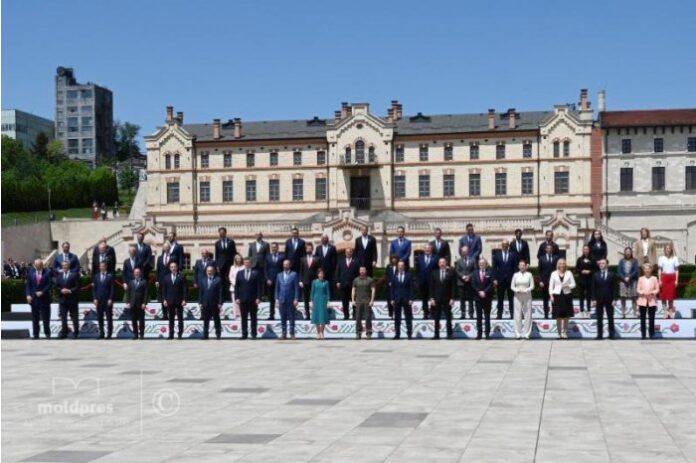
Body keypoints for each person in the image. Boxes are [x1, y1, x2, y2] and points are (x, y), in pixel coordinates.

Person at [235, 257, 263, 340]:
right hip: (242, 299)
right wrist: (237, 297)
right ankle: (244, 334)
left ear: (251, 264)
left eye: (248, 262)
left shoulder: (256, 273)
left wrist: (258, 297)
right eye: (245, 262)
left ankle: (254, 334)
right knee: (243, 318)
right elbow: (237, 286)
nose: (247, 264)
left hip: (253, 299)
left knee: (253, 317)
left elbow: (259, 286)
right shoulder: (239, 273)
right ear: (244, 263)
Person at [429, 257, 456, 339]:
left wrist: (452, 298)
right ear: (438, 264)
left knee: (448, 317)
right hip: (436, 298)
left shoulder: (450, 273)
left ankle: (449, 334)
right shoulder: (434, 273)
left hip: (447, 298)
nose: (442, 264)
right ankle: (436, 334)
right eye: (440, 262)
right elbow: (431, 287)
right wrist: (431, 298)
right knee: (436, 317)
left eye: (443, 262)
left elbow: (453, 287)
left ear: (446, 263)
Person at [549, 258, 576, 340]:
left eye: (563, 263)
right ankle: (559, 333)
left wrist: (568, 286)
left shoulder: (569, 273)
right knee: (558, 316)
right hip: (557, 296)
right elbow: (551, 286)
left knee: (566, 316)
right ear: (558, 264)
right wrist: (551, 295)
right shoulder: (553, 273)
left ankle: (565, 332)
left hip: (566, 295)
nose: (562, 265)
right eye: (560, 263)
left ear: (565, 265)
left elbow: (573, 284)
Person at [25, 259, 52, 339]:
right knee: (35, 318)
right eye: (36, 265)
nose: (38, 267)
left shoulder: (47, 273)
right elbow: (28, 286)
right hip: (34, 299)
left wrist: (42, 292)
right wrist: (28, 295)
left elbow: (49, 285)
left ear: (42, 265)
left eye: (40, 265)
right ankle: (35, 334)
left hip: (44, 299)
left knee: (45, 318)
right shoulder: (31, 274)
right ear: (34, 265)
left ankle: (47, 334)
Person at [275, 259, 300, 339]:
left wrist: (296, 298)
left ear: (290, 265)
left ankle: (292, 334)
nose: (285, 266)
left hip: (291, 299)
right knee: (283, 317)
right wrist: (276, 299)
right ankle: (283, 333)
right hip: (282, 299)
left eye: (287, 264)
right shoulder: (279, 275)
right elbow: (277, 288)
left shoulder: (294, 274)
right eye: (284, 264)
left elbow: (296, 288)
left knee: (291, 317)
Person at [162, 261, 187, 340]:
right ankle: (171, 334)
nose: (173, 268)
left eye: (174, 267)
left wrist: (184, 299)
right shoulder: (166, 277)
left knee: (180, 318)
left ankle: (180, 334)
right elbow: (164, 290)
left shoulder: (181, 277)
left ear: (177, 267)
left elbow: (184, 289)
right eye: (172, 267)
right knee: (171, 319)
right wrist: (164, 299)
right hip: (169, 300)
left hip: (179, 300)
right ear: (170, 268)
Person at [55, 260, 80, 339]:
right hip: (63, 300)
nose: (64, 267)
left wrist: (69, 291)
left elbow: (77, 286)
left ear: (69, 266)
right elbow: (57, 286)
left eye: (66, 265)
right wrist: (61, 290)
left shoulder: (74, 275)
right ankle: (64, 333)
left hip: (72, 299)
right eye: (63, 265)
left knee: (74, 317)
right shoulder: (59, 275)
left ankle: (76, 333)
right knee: (63, 318)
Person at [492, 240, 517, 320]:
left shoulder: (513, 255)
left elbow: (515, 268)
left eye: (506, 244)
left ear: (508, 245)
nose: (505, 246)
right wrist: (494, 278)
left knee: (511, 298)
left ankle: (512, 314)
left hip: (511, 280)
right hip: (500, 280)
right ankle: (499, 314)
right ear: (501, 245)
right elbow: (494, 268)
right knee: (500, 298)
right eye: (503, 244)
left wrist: (515, 279)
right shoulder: (497, 255)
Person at [593, 258, 616, 340]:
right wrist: (594, 299)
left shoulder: (611, 274)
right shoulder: (596, 275)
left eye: (603, 263)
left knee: (610, 317)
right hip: (599, 299)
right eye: (600, 263)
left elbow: (614, 288)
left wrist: (614, 299)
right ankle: (599, 335)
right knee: (599, 318)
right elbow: (594, 288)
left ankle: (612, 334)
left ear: (607, 264)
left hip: (609, 299)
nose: (601, 264)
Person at [511, 259, 535, 339]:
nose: (521, 267)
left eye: (523, 265)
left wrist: (526, 290)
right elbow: (512, 286)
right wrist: (517, 290)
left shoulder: (529, 274)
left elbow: (532, 286)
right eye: (520, 265)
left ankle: (526, 333)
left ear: (526, 266)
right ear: (518, 266)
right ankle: (517, 333)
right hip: (517, 296)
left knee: (528, 314)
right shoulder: (515, 275)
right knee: (517, 314)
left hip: (527, 295)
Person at [390, 260, 414, 340]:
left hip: (406, 299)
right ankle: (397, 334)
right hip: (397, 299)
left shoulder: (409, 275)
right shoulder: (394, 276)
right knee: (397, 318)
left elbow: (411, 288)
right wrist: (392, 299)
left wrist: (411, 298)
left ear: (404, 266)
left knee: (408, 317)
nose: (400, 267)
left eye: (402, 265)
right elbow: (392, 289)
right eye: (399, 265)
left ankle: (409, 334)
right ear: (397, 267)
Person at [472, 258, 494, 339]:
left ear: (486, 264)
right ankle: (479, 333)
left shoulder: (490, 272)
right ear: (478, 264)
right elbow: (473, 284)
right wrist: (479, 292)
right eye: (480, 263)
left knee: (487, 316)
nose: (481, 264)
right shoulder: (474, 273)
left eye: (483, 263)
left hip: (487, 297)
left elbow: (491, 284)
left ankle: (487, 334)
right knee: (479, 316)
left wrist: (485, 292)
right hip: (478, 298)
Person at [200, 265, 223, 339]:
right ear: (206, 272)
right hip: (205, 303)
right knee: (206, 320)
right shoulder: (203, 280)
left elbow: (220, 292)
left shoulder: (218, 279)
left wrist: (220, 302)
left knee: (216, 319)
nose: (209, 272)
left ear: (214, 271)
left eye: (211, 271)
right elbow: (201, 292)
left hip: (215, 303)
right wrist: (200, 302)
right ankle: (205, 335)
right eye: (208, 271)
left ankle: (218, 334)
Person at [637, 263, 660, 339]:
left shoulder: (654, 278)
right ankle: (643, 334)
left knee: (651, 318)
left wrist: (653, 292)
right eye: (645, 269)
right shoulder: (640, 278)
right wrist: (642, 292)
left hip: (651, 300)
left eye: (648, 268)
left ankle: (651, 334)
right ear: (643, 270)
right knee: (642, 319)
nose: (647, 270)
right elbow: (638, 289)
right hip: (642, 300)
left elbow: (657, 289)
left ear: (651, 270)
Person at [92, 261, 114, 339]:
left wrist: (110, 298)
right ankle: (101, 333)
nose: (102, 268)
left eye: (103, 266)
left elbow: (112, 289)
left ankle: (109, 334)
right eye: (100, 266)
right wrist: (94, 298)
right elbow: (94, 289)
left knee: (109, 318)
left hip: (107, 300)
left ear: (106, 267)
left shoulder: (110, 276)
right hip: (99, 300)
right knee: (100, 318)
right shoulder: (96, 276)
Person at [336, 247, 359, 320]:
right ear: (345, 253)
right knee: (344, 301)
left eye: (350, 252)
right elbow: (337, 272)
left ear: (352, 253)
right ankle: (346, 315)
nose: (348, 253)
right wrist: (338, 281)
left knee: (354, 300)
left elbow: (358, 273)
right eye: (347, 252)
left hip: (353, 285)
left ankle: (355, 315)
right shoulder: (341, 261)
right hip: (343, 284)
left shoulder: (356, 261)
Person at [352, 266, 375, 339]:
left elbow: (373, 290)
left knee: (368, 318)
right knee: (358, 318)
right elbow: (353, 290)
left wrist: (372, 300)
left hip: (367, 302)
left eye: (363, 270)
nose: (362, 271)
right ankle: (358, 333)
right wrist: (352, 300)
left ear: (366, 271)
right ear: (359, 271)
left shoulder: (370, 280)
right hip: (358, 301)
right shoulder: (356, 280)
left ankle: (368, 333)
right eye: (360, 270)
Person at [125, 267, 148, 340]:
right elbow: (128, 293)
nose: (136, 274)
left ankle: (141, 334)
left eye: (138, 272)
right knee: (133, 320)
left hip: (141, 304)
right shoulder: (131, 282)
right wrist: (128, 302)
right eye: (135, 272)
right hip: (132, 304)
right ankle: (135, 334)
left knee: (141, 320)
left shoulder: (144, 282)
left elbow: (146, 294)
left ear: (140, 273)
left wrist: (144, 303)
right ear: (133, 273)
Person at [415, 244, 437, 319]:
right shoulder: (419, 258)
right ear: (424, 250)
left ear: (431, 249)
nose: (427, 250)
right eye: (426, 249)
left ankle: (433, 313)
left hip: (433, 282)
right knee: (424, 299)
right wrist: (418, 281)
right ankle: (425, 313)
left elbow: (437, 270)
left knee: (433, 298)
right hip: (423, 282)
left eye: (429, 249)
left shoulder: (436, 258)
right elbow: (417, 271)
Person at [299, 242, 321, 319]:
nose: (309, 249)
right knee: (306, 299)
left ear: (312, 249)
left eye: (310, 248)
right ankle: (307, 315)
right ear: (305, 249)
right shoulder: (302, 259)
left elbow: (319, 270)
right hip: (305, 281)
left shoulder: (317, 258)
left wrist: (319, 279)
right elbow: (301, 270)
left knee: (315, 298)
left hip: (314, 281)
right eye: (307, 248)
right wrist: (300, 280)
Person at [657, 243, 679, 319]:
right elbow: (659, 270)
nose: (668, 250)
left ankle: (670, 312)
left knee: (671, 297)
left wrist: (676, 280)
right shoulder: (661, 258)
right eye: (666, 248)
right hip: (664, 277)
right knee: (663, 297)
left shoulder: (675, 258)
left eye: (669, 248)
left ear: (671, 249)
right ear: (664, 250)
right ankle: (665, 312)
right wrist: (659, 280)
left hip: (672, 278)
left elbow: (676, 270)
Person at [215, 227, 237, 301]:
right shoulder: (217, 243)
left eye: (223, 233)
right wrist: (217, 265)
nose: (221, 234)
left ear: (225, 233)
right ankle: (222, 298)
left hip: (229, 264)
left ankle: (229, 297)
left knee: (229, 279)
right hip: (221, 265)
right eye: (220, 233)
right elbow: (217, 255)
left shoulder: (231, 242)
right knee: (221, 281)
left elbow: (234, 253)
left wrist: (234, 264)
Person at [538, 243, 559, 319]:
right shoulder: (541, 258)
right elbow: (539, 271)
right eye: (548, 248)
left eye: (551, 248)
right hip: (544, 282)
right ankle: (546, 314)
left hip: (554, 282)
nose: (549, 249)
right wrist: (540, 281)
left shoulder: (556, 258)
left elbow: (558, 270)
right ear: (546, 249)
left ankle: (554, 314)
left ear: (552, 250)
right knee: (545, 300)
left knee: (554, 299)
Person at [617, 247, 639, 319]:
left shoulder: (635, 261)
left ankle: (635, 313)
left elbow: (636, 271)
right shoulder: (621, 261)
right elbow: (619, 271)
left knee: (634, 297)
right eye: (626, 251)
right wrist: (624, 278)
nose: (628, 253)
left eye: (629, 251)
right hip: (623, 281)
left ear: (631, 252)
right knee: (623, 297)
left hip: (632, 280)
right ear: (624, 253)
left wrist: (629, 277)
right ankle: (623, 313)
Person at [264, 242, 284, 320]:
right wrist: (267, 279)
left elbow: (283, 268)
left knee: (281, 297)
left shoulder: (282, 256)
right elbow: (265, 269)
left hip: (280, 280)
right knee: (271, 298)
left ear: (277, 247)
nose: (273, 248)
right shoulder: (268, 257)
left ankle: (283, 314)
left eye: (275, 247)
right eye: (272, 247)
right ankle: (271, 315)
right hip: (270, 281)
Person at [455, 245, 476, 319]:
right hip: (461, 282)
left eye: (465, 251)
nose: (464, 252)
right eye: (462, 251)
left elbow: (475, 270)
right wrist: (463, 276)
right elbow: (457, 270)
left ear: (468, 252)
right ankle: (463, 313)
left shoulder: (472, 260)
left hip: (470, 282)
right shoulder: (458, 261)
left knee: (471, 299)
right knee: (462, 299)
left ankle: (471, 314)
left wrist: (469, 276)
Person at [310, 268, 330, 339]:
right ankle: (318, 333)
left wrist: (328, 302)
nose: (321, 275)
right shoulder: (314, 282)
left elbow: (328, 292)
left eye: (322, 274)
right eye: (320, 274)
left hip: (323, 300)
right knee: (317, 317)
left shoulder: (326, 282)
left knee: (323, 317)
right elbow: (312, 292)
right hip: (316, 300)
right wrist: (311, 301)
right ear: (318, 274)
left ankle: (322, 332)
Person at [575, 245, 595, 318]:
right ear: (582, 250)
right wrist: (582, 271)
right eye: (584, 249)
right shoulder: (579, 259)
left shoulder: (592, 259)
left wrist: (589, 271)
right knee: (581, 296)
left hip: (589, 280)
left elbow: (595, 269)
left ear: (589, 250)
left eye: (587, 249)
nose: (586, 250)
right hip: (581, 280)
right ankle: (581, 311)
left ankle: (589, 311)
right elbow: (576, 269)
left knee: (589, 296)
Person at [155, 243, 172, 319]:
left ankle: (170, 314)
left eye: (168, 247)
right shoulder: (159, 258)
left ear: (169, 248)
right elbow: (157, 270)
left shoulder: (173, 257)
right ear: (163, 248)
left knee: (170, 297)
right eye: (165, 247)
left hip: (170, 280)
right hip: (161, 281)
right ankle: (165, 315)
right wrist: (157, 280)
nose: (166, 249)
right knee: (163, 298)